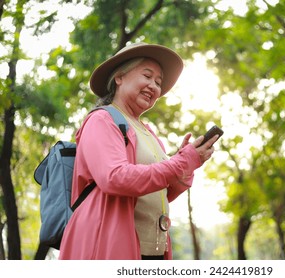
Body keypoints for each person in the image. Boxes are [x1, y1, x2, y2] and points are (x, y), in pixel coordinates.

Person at [58, 42, 218, 260]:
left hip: (153, 250)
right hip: (110, 245)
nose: (154, 86)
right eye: (147, 76)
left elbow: (161, 192)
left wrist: (187, 166)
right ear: (119, 77)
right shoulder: (101, 119)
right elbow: (114, 178)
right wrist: (180, 162)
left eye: (158, 82)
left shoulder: (149, 133)